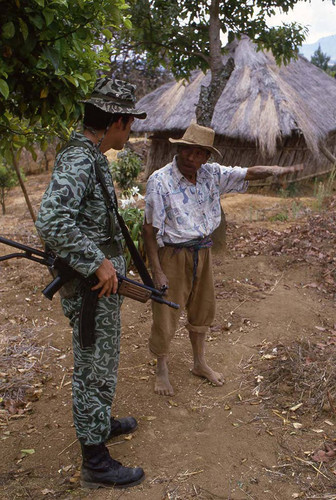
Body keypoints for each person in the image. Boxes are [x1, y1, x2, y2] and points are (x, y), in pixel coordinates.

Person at [35, 77, 146, 489]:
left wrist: (109, 262)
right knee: (91, 366)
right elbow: (50, 220)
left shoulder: (92, 155)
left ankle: (99, 422)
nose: (131, 130)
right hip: (89, 287)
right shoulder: (80, 159)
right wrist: (98, 262)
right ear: (116, 121)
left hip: (100, 284)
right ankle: (95, 461)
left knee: (102, 360)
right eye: (130, 122)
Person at [143, 123, 303, 397]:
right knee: (166, 312)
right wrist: (157, 270)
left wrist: (278, 170)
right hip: (173, 253)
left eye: (200, 153)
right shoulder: (160, 181)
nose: (193, 158)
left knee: (203, 310)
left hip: (202, 252)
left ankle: (199, 363)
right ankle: (161, 367)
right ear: (179, 150)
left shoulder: (211, 174)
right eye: (188, 152)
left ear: (207, 156)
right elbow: (149, 230)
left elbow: (248, 173)